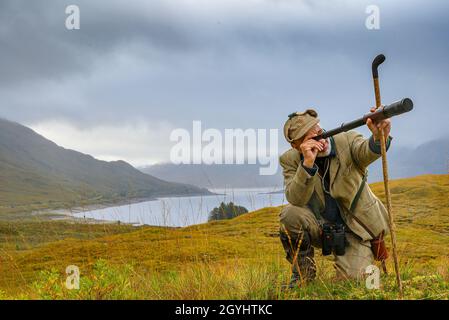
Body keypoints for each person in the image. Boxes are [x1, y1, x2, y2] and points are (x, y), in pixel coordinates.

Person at [279, 106, 392, 288]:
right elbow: (295, 198)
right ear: (296, 145)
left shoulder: (346, 140)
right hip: (322, 228)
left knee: (355, 282)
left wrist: (379, 138)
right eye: (306, 135)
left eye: (315, 128)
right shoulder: (290, 159)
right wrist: (307, 164)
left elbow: (367, 151)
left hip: (357, 231)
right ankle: (303, 275)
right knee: (289, 215)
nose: (317, 136)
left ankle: (367, 268)